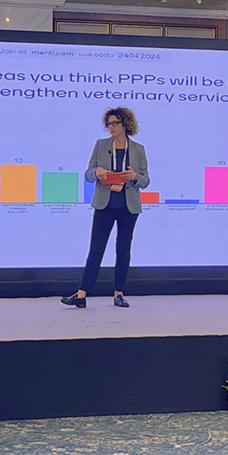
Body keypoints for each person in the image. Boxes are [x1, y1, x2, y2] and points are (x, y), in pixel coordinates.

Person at [62, 107, 150, 308]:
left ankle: (119, 293)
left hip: (128, 205)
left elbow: (146, 180)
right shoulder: (101, 145)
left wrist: (135, 177)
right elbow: (87, 174)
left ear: (125, 124)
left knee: (123, 249)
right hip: (105, 203)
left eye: (114, 123)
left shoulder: (138, 149)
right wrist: (97, 172)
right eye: (108, 123)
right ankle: (82, 294)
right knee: (96, 249)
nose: (110, 127)